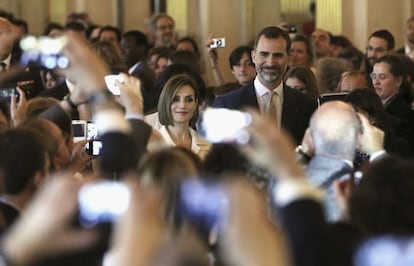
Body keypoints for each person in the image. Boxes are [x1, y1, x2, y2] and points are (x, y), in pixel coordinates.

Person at [212, 26, 316, 144]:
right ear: (254, 56)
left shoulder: (306, 105)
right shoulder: (227, 105)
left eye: (278, 55)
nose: (270, 62)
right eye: (264, 54)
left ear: (289, 58)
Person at [298, 101, 386, 221]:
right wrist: (377, 152)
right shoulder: (367, 188)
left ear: (309, 138)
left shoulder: (283, 182)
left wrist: (302, 154)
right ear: (359, 137)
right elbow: (400, 204)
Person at [153, 74, 210, 159]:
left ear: (195, 104)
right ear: (166, 102)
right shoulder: (152, 144)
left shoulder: (207, 144)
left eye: (189, 100)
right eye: (176, 99)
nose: (182, 105)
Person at [371, 54, 414, 154]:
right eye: (373, 76)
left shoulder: (406, 115)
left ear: (398, 81)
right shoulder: (372, 106)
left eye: (382, 77)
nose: (375, 82)